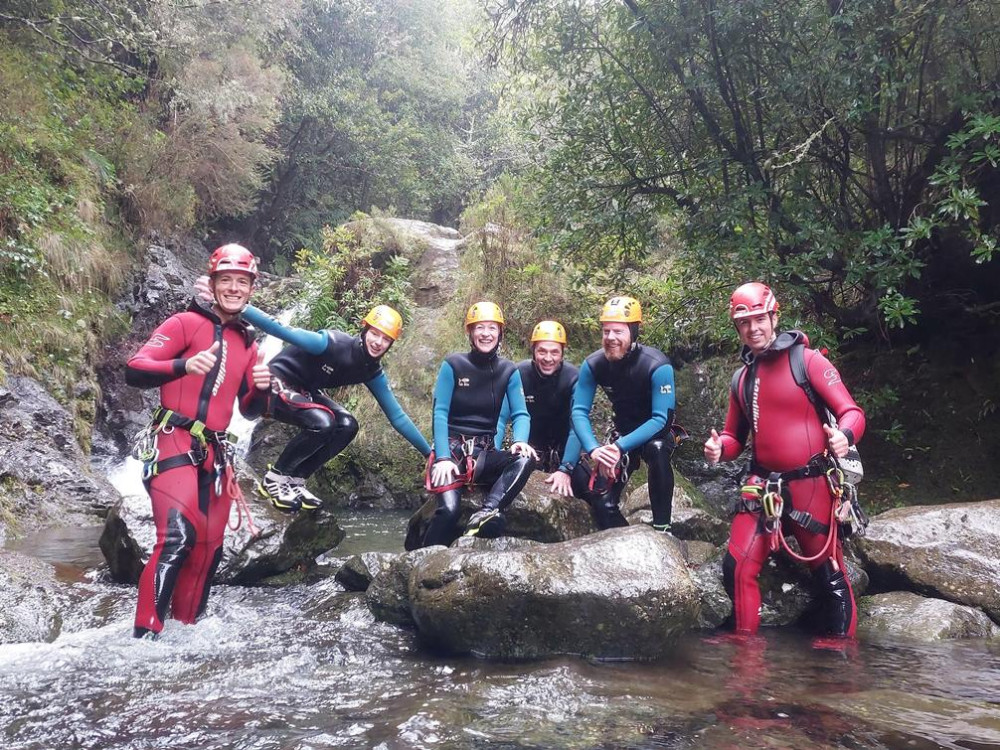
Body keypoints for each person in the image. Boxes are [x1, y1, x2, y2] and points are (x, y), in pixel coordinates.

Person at [703, 282, 866, 638]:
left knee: (828, 572)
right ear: (737, 329)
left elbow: (851, 412)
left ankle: (841, 657)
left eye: (760, 319)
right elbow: (735, 438)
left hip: (810, 482)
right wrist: (719, 449)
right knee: (738, 567)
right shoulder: (742, 379)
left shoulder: (808, 361)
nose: (753, 328)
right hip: (763, 484)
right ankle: (745, 654)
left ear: (774, 317)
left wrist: (844, 436)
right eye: (744, 324)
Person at [126, 243, 271, 639]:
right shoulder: (183, 324)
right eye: (227, 280)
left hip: (217, 451)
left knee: (209, 549)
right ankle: (145, 639)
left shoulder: (248, 343)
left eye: (243, 282)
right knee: (176, 538)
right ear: (213, 283)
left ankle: (186, 638)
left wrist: (262, 391)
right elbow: (135, 369)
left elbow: (250, 409)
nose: (235, 289)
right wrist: (183, 365)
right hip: (173, 438)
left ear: (251, 289)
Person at [224, 297, 431, 513]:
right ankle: (275, 478)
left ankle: (295, 480)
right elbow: (280, 329)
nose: (378, 342)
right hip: (273, 384)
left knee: (347, 425)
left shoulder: (371, 372)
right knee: (324, 423)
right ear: (365, 330)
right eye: (375, 333)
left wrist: (428, 453)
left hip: (304, 391)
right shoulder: (330, 343)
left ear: (391, 344)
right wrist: (239, 307)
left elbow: (397, 416)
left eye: (386, 339)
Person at [420, 301, 537, 546]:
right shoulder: (453, 364)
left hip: (484, 453)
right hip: (452, 451)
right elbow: (440, 413)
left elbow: (521, 414)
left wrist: (520, 441)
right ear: (470, 333)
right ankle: (421, 561)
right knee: (449, 511)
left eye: (492, 328)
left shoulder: (508, 370)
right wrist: (441, 457)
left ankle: (487, 511)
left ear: (500, 333)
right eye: (480, 328)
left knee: (524, 459)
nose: (486, 333)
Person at [571, 296, 678, 530]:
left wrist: (619, 448)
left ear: (633, 332)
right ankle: (627, 537)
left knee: (657, 450)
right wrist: (595, 450)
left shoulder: (656, 364)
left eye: (618, 332)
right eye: (606, 331)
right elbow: (579, 412)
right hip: (620, 435)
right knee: (601, 500)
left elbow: (662, 420)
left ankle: (663, 526)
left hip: (653, 434)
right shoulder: (593, 364)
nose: (610, 338)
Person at [494, 320, 581, 497]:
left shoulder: (572, 378)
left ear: (562, 353)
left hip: (565, 451)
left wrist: (566, 468)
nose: (548, 358)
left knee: (597, 495)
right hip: (530, 450)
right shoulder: (519, 374)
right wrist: (493, 454)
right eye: (542, 351)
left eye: (554, 352)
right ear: (534, 351)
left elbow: (577, 426)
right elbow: (501, 419)